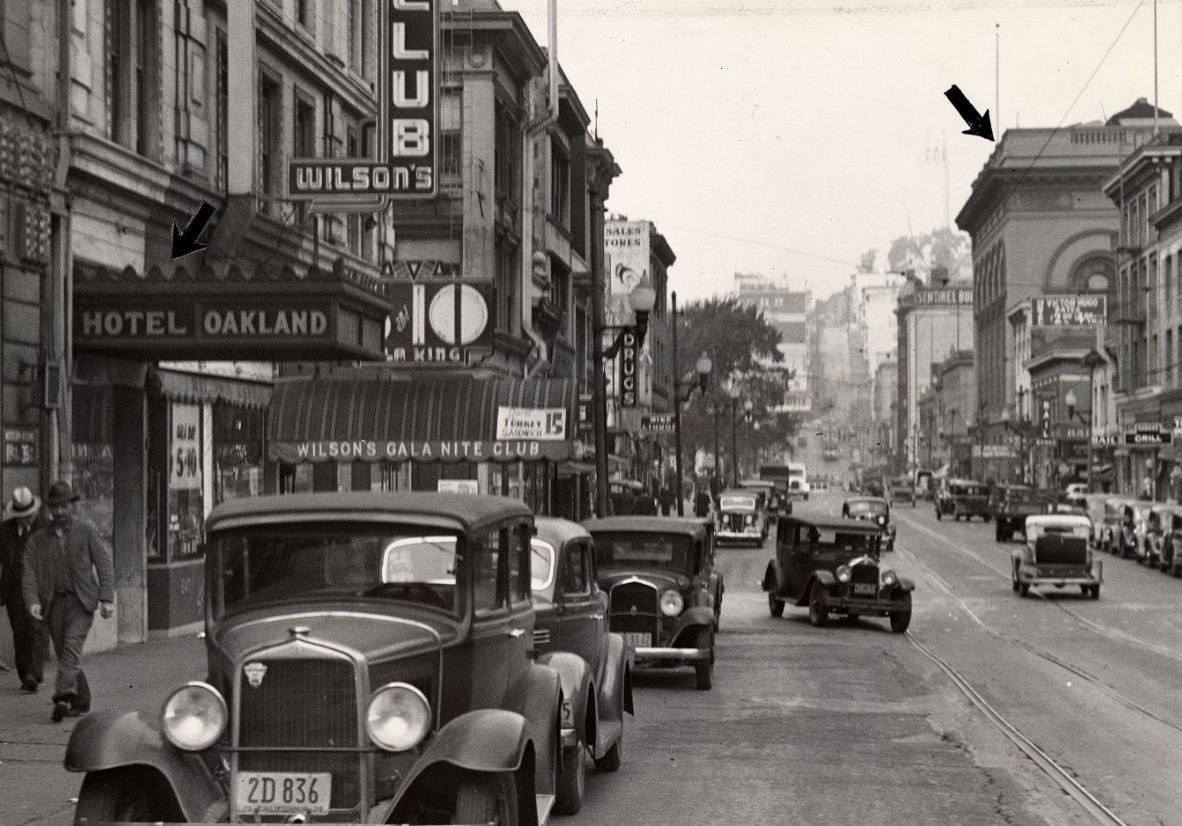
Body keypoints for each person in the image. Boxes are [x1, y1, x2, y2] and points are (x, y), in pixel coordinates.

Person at [22, 481, 115, 722]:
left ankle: (62, 696)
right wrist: (32, 601)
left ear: (71, 506)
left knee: (72, 646)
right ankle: (82, 700)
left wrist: (107, 598)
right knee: (66, 654)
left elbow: (104, 563)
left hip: (81, 602)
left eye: (64, 506)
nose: (60, 512)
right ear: (50, 509)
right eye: (55, 507)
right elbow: (29, 572)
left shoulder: (86, 532)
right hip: (53, 604)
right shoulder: (38, 539)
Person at [2, 487, 50, 691]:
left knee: (37, 629)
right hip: (13, 590)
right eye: (20, 516)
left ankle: (35, 673)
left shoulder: (45, 528)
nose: (24, 520)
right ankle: (26, 676)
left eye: (27, 516)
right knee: (20, 633)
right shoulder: (4, 531)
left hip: (37, 589)